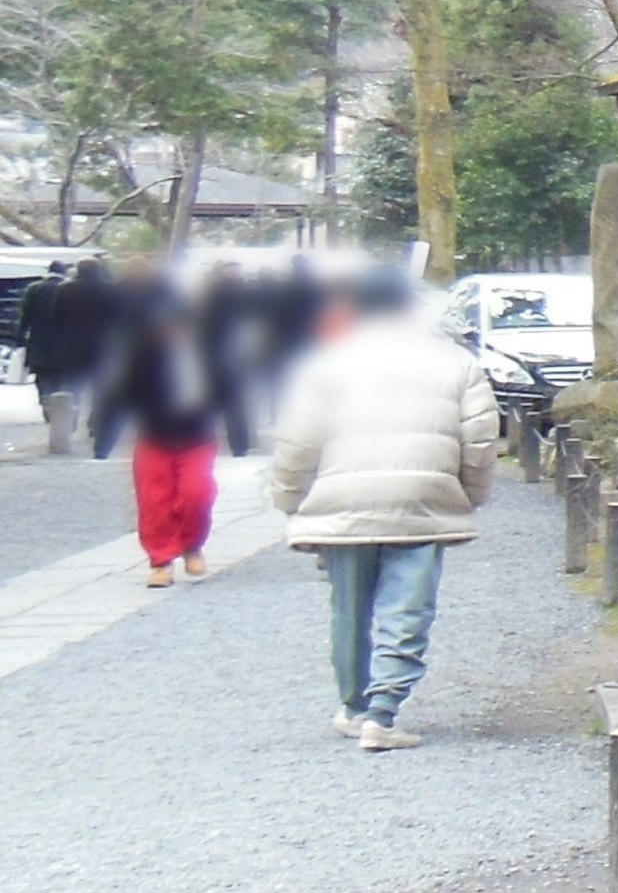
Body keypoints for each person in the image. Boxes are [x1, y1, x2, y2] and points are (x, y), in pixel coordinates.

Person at [266, 273, 499, 750]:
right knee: (407, 609)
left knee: (348, 608)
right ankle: (384, 711)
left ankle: (352, 705)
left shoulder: (323, 362)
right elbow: (480, 442)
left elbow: (296, 443)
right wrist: (468, 495)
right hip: (422, 499)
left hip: (342, 504)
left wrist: (291, 499)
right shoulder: (456, 363)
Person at [93, 277, 248, 587]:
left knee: (197, 493)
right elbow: (117, 395)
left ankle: (192, 544)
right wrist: (103, 439)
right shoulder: (140, 357)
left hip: (197, 434)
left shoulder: (210, 356)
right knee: (154, 499)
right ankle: (161, 558)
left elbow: (231, 395)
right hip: (154, 434)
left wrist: (239, 438)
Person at [23, 259, 114, 459]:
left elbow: (58, 316)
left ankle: (68, 422)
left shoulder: (66, 289)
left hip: (72, 344)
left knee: (72, 386)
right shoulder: (108, 289)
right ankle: (96, 423)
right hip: (99, 344)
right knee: (100, 386)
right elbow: (115, 317)